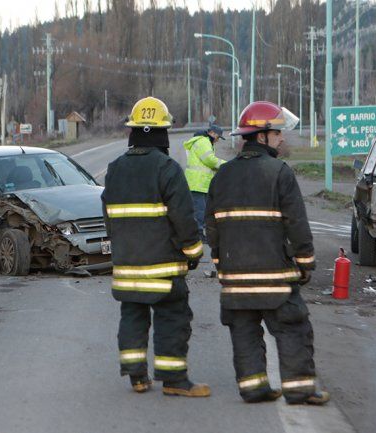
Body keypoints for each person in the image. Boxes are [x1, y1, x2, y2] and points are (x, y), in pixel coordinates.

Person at [205, 101, 329, 405]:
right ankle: (299, 389)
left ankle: (254, 387)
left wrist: (221, 264)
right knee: (293, 329)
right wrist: (305, 261)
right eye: (276, 133)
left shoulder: (222, 175)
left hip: (234, 278)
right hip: (275, 277)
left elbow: (212, 225)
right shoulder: (279, 173)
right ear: (261, 136)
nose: (281, 138)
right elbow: (296, 222)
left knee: (243, 331)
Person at [102, 97, 210, 397]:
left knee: (132, 316)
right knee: (172, 317)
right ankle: (174, 380)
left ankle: (137, 377)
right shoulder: (168, 168)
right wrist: (193, 252)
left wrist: (121, 247)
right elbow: (184, 218)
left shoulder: (114, 169)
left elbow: (108, 217)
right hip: (164, 269)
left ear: (133, 131)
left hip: (127, 267)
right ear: (163, 132)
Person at [183, 124, 226, 239]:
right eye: (218, 137)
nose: (217, 140)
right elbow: (210, 160)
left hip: (200, 183)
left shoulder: (205, 142)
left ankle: (200, 232)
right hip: (197, 182)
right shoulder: (203, 142)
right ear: (212, 133)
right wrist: (226, 165)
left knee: (203, 209)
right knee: (200, 210)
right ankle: (198, 234)